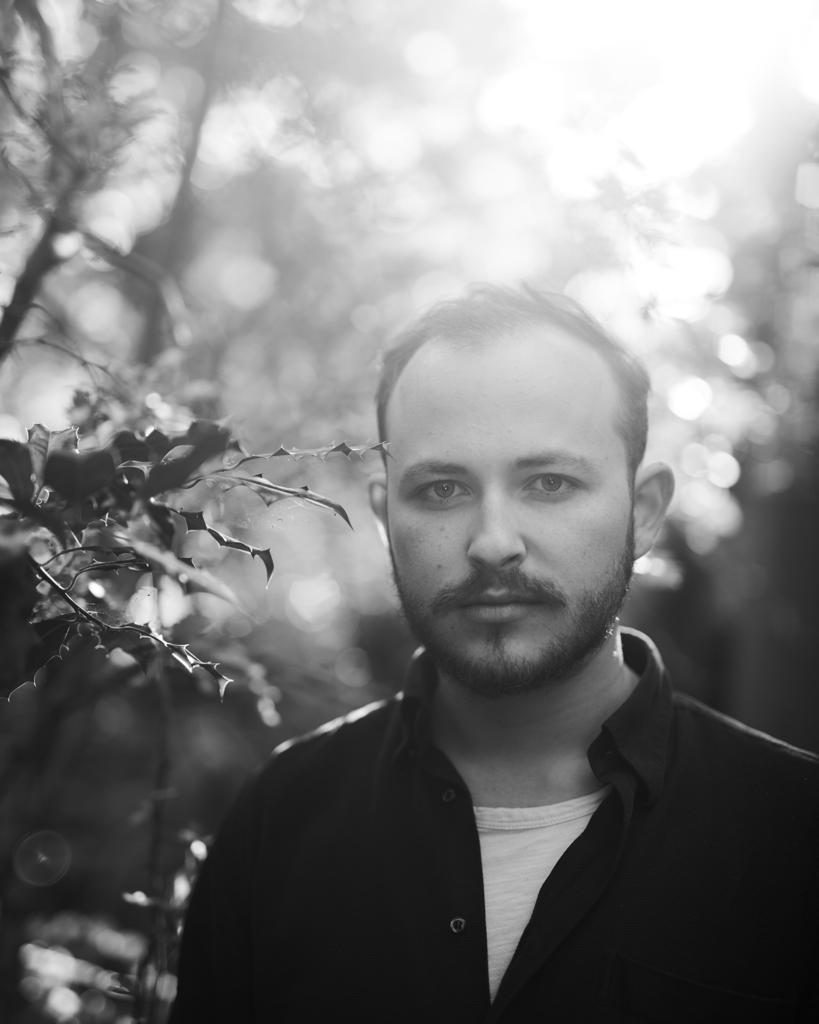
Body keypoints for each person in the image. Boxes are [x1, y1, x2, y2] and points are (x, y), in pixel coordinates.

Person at [170, 285, 819, 1023]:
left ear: (640, 512)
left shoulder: (793, 839)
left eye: (549, 483)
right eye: (442, 489)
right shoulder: (278, 829)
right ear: (386, 517)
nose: (492, 541)